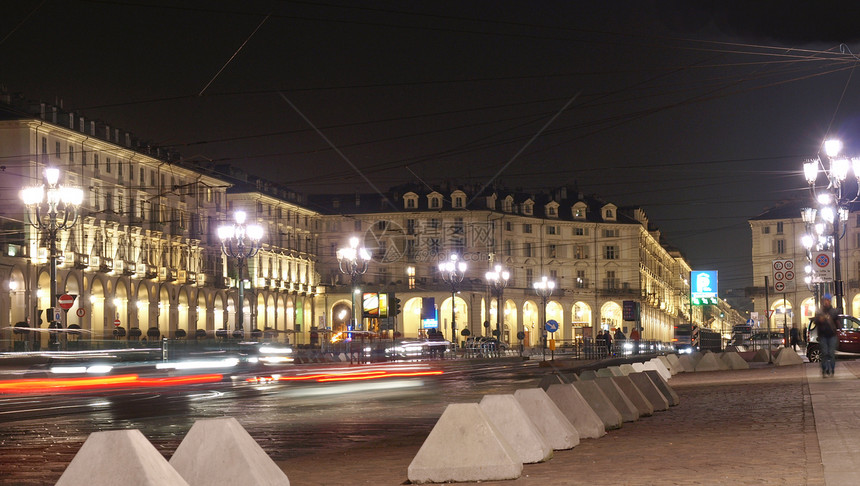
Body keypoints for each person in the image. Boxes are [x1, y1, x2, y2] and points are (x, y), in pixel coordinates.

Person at [814, 293, 839, 377]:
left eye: (828, 300)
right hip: (823, 335)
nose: (826, 302)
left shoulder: (834, 311)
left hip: (832, 335)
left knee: (831, 353)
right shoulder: (819, 311)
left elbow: (837, 321)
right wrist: (819, 320)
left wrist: (839, 328)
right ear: (823, 301)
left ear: (830, 301)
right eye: (825, 300)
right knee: (824, 353)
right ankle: (824, 370)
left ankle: (832, 369)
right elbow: (815, 321)